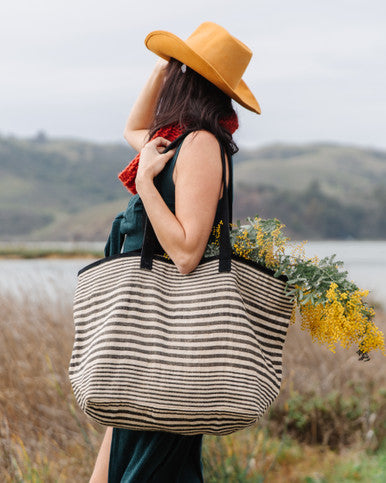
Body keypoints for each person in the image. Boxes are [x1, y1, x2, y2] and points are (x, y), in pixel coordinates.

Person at [89, 21, 261, 483]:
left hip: (173, 345)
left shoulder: (202, 145)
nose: (167, 79)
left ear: (188, 81)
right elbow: (134, 127)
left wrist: (145, 182)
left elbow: (187, 252)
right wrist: (165, 64)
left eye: (176, 71)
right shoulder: (172, 140)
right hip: (144, 348)